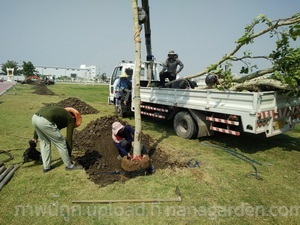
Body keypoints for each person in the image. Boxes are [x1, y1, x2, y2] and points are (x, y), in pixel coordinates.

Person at [31, 106, 83, 172]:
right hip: (45, 121)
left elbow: (40, 121)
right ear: (74, 117)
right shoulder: (71, 119)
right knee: (61, 143)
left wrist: (35, 137)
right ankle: (69, 166)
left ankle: (46, 167)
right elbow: (69, 140)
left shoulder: (60, 114)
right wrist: (69, 156)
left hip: (34, 118)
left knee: (44, 142)